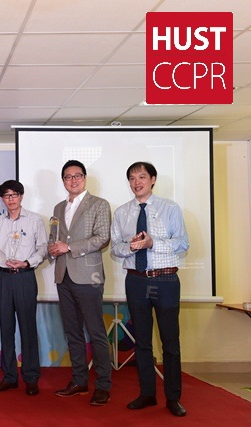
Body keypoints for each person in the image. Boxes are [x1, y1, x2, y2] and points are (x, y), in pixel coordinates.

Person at [111, 161, 189, 417]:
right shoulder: (122, 212)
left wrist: (152, 243)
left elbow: (182, 243)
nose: (137, 182)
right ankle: (147, 394)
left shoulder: (170, 208)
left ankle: (173, 398)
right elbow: (115, 248)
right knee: (142, 341)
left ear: (153, 179)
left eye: (142, 177)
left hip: (165, 280)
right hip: (136, 280)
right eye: (132, 178)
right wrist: (131, 247)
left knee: (170, 342)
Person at [48, 161, 112, 405]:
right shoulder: (58, 207)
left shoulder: (99, 204)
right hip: (63, 275)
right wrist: (52, 248)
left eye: (77, 176)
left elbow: (102, 238)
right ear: (63, 181)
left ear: (84, 178)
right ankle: (79, 381)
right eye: (68, 177)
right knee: (72, 332)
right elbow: (54, 237)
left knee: (96, 332)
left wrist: (69, 247)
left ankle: (103, 385)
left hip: (88, 277)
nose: (73, 180)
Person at [0, 180, 46, 397]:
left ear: (21, 196)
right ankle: (9, 376)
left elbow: (43, 249)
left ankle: (31, 377)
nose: (10, 199)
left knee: (28, 329)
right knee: (6, 329)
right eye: (6, 195)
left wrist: (26, 263)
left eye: (14, 195)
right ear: (2, 199)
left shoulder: (35, 220)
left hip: (24, 277)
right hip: (3, 279)